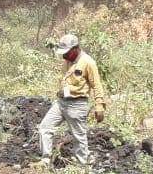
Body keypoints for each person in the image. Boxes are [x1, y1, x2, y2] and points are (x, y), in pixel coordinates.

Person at [37, 33, 107, 165]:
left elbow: (96, 85)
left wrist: (99, 105)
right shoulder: (67, 60)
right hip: (61, 103)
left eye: (67, 52)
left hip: (77, 104)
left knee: (78, 136)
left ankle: (82, 165)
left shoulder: (88, 62)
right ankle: (46, 159)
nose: (64, 56)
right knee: (45, 127)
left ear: (76, 48)